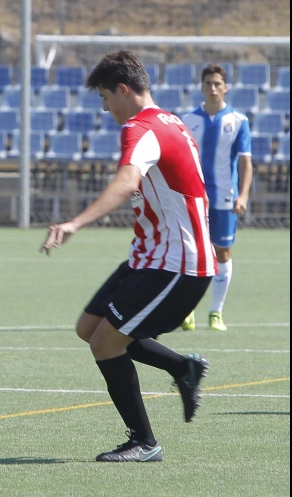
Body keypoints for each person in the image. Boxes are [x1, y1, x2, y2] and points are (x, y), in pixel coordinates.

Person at [41, 51, 216, 462]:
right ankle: (182, 368)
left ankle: (144, 442)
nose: (104, 108)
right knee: (90, 328)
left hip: (177, 264)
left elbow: (126, 182)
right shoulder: (169, 120)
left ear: (123, 89)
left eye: (104, 97)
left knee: (105, 343)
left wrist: (74, 223)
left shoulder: (142, 127)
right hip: (149, 257)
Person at [180, 64, 254, 332]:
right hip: (194, 197)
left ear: (225, 87)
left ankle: (216, 312)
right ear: (201, 87)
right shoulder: (188, 121)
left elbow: (246, 162)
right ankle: (186, 310)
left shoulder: (238, 120)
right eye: (208, 83)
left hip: (224, 197)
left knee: (222, 252)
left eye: (217, 84)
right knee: (190, 252)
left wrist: (243, 194)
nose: (213, 88)